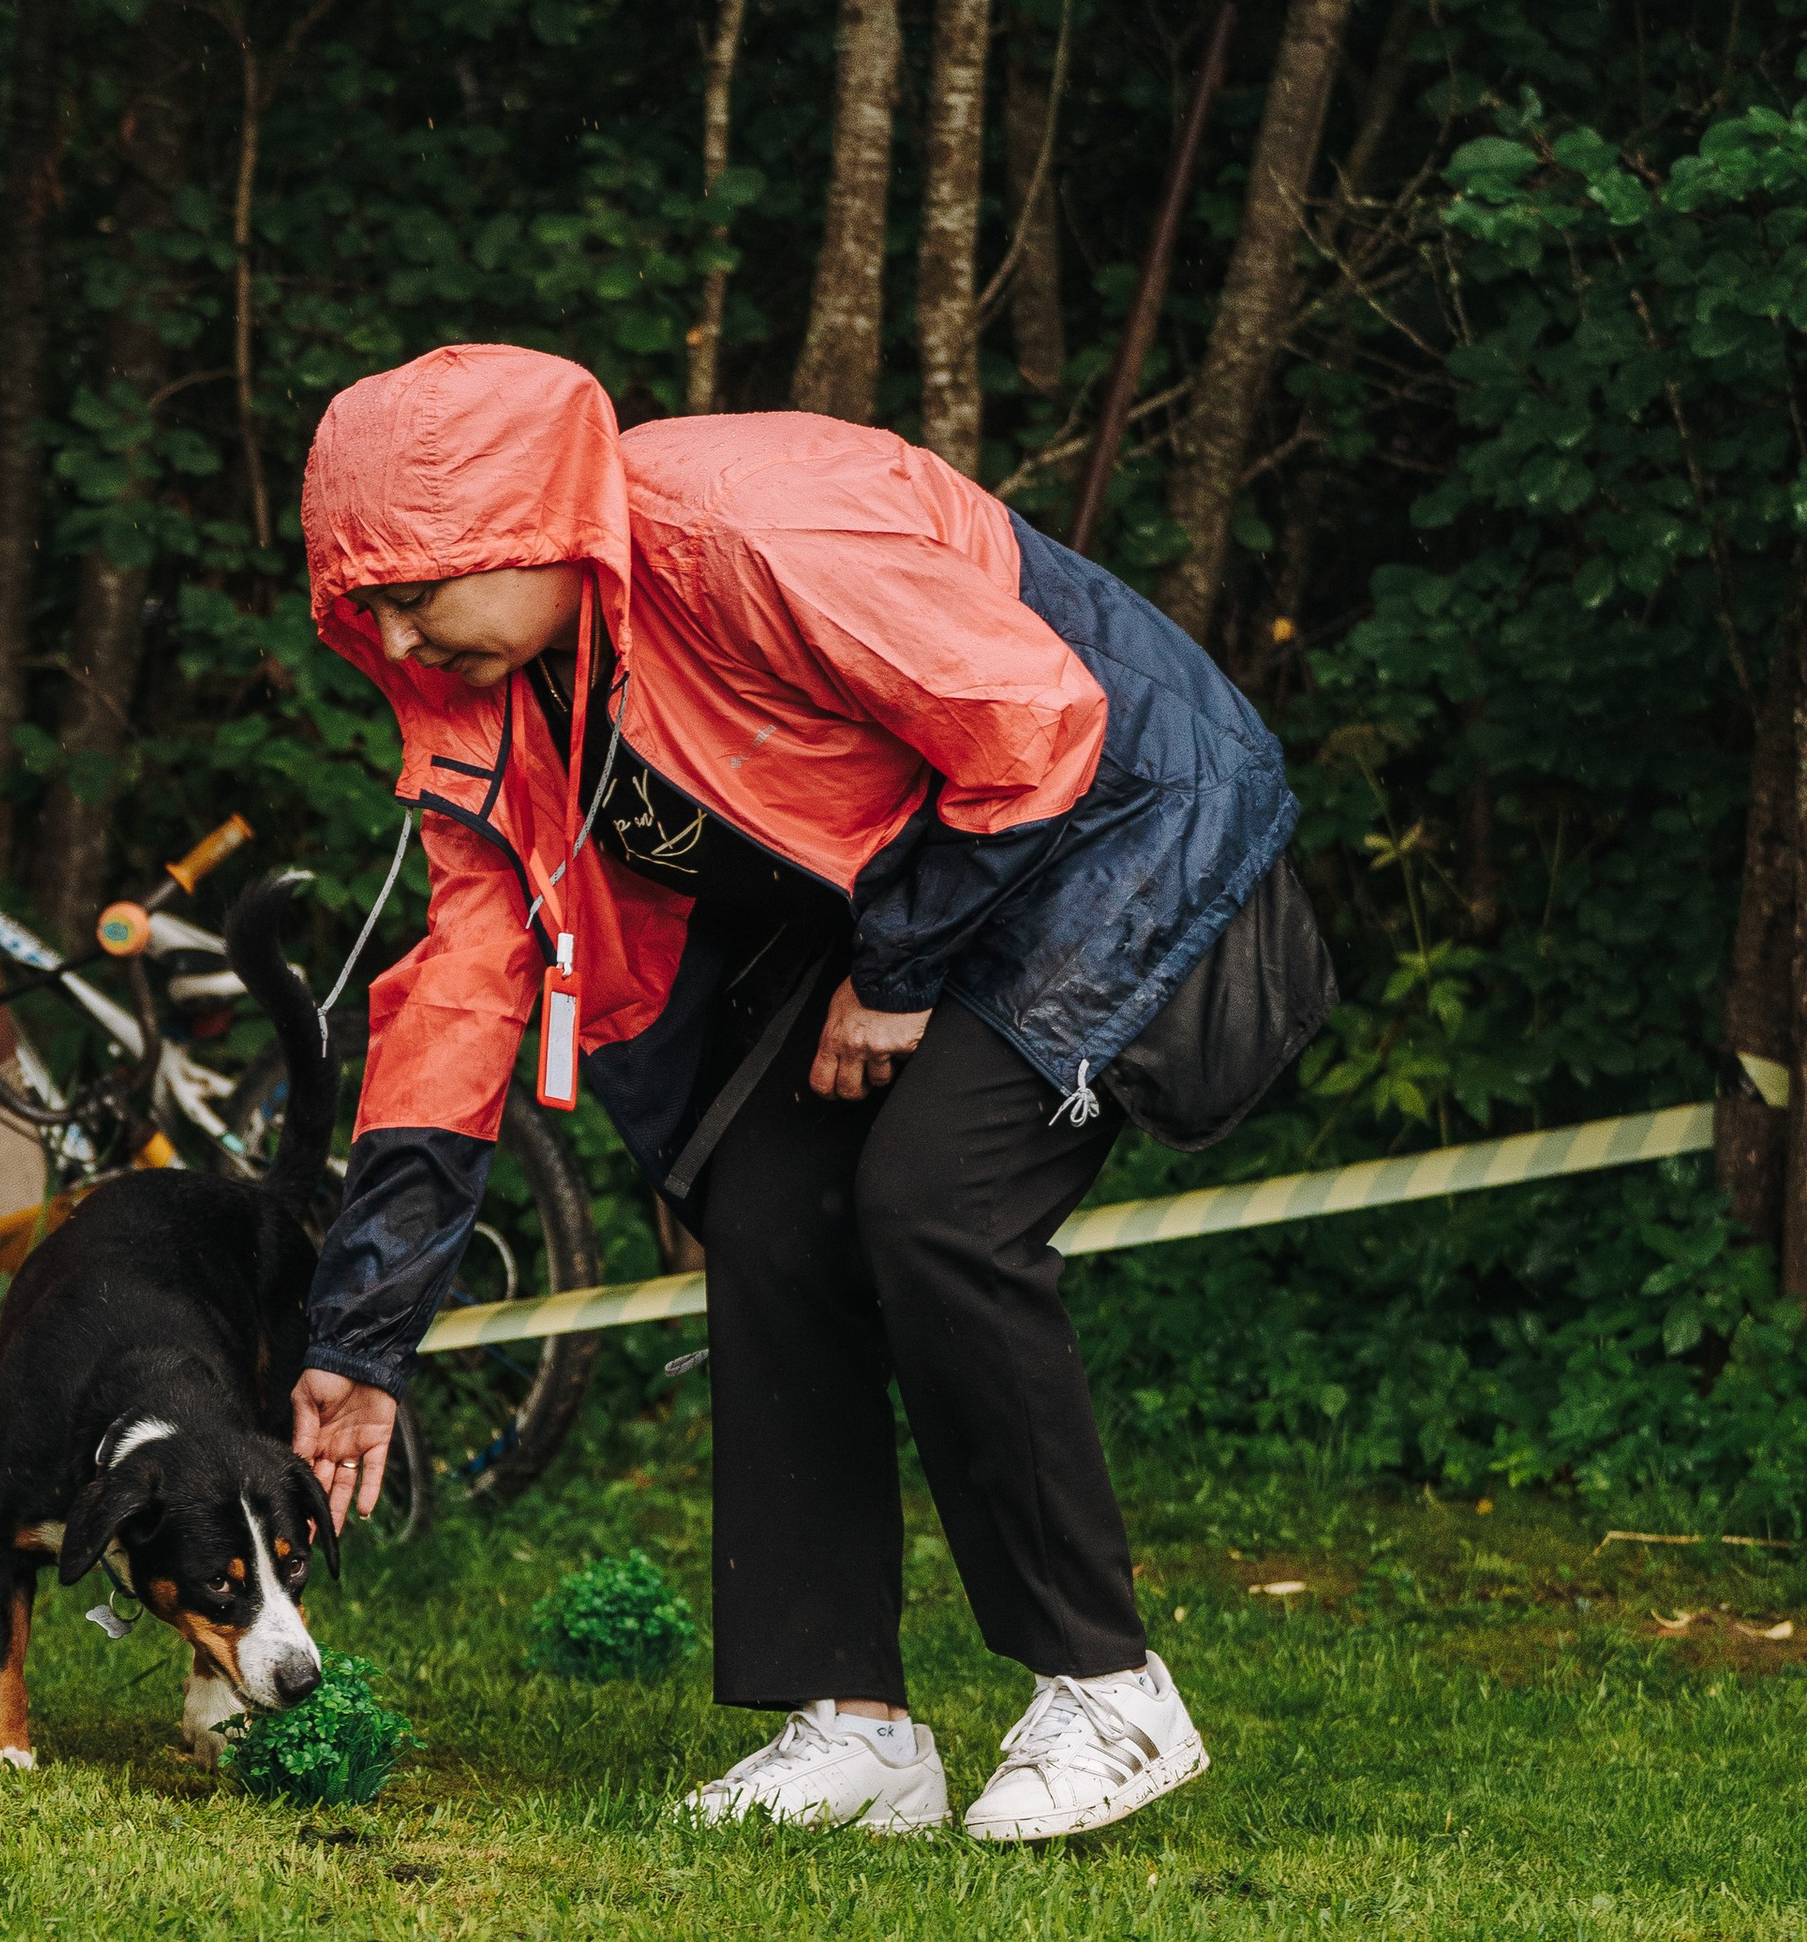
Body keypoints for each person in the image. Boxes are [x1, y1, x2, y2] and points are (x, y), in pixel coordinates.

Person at [291, 345, 1331, 1841]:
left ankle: (1109, 1689)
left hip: (1116, 815)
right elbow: (460, 999)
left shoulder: (745, 524)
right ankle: (855, 1727)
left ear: (527, 527)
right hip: (923, 873)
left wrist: (898, 970)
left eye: (418, 592)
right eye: (366, 605)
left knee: (936, 1205)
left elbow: (1033, 719)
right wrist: (364, 1338)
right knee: (773, 1211)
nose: (393, 636)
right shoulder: (493, 699)